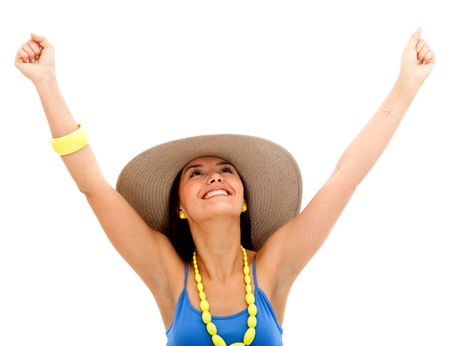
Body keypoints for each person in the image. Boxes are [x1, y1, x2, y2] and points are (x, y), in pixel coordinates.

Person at [14, 28, 435, 346]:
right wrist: (46, 82)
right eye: (194, 173)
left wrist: (407, 85)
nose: (213, 176)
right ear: (179, 205)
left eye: (225, 169)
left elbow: (346, 177)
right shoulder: (165, 271)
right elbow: (93, 187)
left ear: (244, 198)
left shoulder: (271, 268)